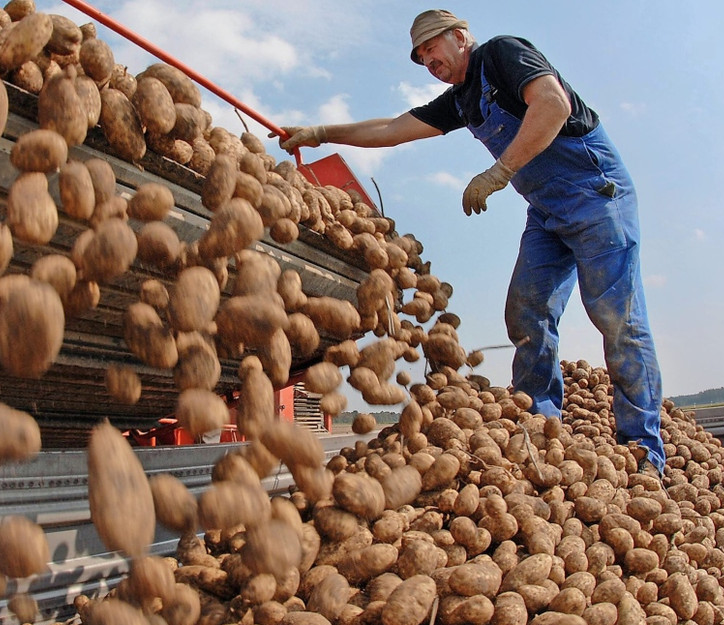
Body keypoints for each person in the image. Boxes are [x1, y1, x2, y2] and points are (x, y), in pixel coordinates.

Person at [277, 9, 667, 474]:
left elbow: (552, 105)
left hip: (596, 197)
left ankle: (643, 447)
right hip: (547, 214)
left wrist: (500, 172)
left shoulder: (503, 54)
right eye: (421, 57)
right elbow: (393, 130)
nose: (429, 62)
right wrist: (323, 133)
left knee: (616, 318)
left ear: (460, 37)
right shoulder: (462, 99)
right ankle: (539, 422)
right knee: (527, 312)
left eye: (432, 48)